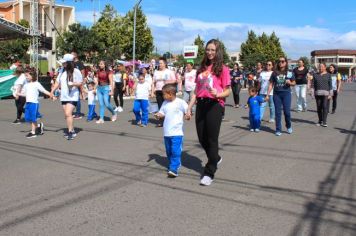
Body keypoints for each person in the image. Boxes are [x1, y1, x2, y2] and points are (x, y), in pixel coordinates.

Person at [186, 39, 231, 186]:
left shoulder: (223, 69)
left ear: (218, 52)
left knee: (212, 139)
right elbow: (196, 91)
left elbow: (228, 91)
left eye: (213, 50)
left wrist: (217, 94)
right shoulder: (201, 69)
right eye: (208, 50)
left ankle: (209, 171)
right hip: (201, 104)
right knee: (201, 138)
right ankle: (215, 157)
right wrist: (189, 107)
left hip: (215, 105)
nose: (210, 52)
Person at [155, 84, 188, 178]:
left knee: (175, 151)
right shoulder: (165, 103)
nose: (162, 96)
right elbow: (162, 112)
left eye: (163, 94)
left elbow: (187, 110)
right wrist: (159, 115)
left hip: (177, 132)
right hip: (167, 132)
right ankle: (174, 164)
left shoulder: (180, 102)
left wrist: (188, 114)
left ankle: (174, 168)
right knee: (169, 151)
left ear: (170, 94)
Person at [51, 54, 83, 140]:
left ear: (69, 63)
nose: (62, 64)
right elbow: (57, 83)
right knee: (67, 115)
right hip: (64, 97)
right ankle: (71, 129)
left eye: (64, 63)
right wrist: (52, 91)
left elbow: (80, 83)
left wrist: (73, 83)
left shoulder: (76, 71)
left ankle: (70, 132)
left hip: (72, 96)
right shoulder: (61, 71)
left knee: (68, 113)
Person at [266, 57, 296, 136]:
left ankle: (288, 125)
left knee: (287, 112)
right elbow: (271, 84)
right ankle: (278, 129)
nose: (281, 63)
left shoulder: (289, 72)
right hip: (277, 94)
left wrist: (290, 82)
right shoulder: (275, 73)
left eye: (282, 61)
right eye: (279, 61)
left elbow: (294, 83)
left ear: (286, 62)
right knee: (278, 113)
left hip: (286, 94)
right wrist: (267, 94)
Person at [21, 70, 52, 138]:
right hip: (28, 103)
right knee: (27, 118)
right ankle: (38, 126)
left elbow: (44, 90)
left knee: (33, 119)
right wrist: (17, 93)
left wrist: (51, 95)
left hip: (34, 104)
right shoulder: (26, 85)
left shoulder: (36, 84)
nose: (26, 77)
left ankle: (33, 132)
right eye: (25, 76)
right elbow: (24, 94)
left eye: (27, 76)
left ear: (32, 76)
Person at [152, 57, 176, 127]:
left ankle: (170, 120)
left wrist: (168, 82)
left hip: (167, 91)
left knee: (168, 106)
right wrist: (152, 90)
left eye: (161, 63)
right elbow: (153, 82)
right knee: (161, 107)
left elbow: (174, 80)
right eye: (159, 63)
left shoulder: (169, 72)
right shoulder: (156, 72)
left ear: (165, 64)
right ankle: (162, 121)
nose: (159, 64)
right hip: (158, 91)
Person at [72, 52, 85, 119]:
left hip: (78, 82)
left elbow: (83, 72)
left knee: (77, 98)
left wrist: (82, 81)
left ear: (75, 56)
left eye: (72, 55)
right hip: (72, 82)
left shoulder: (80, 63)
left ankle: (78, 113)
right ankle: (72, 112)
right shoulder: (72, 63)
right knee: (72, 97)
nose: (71, 56)